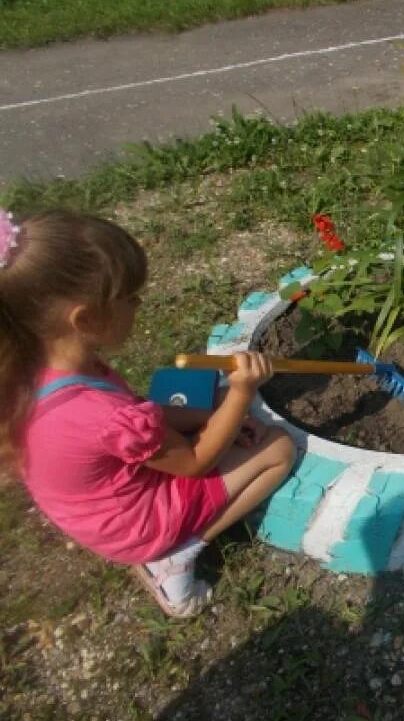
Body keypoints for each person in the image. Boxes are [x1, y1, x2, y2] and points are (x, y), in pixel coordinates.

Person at [0, 209, 297, 618]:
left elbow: (144, 415)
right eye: (129, 298)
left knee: (218, 413)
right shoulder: (99, 414)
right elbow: (193, 463)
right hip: (135, 527)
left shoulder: (35, 370)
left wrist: (210, 418)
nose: (138, 304)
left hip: (93, 513)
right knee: (278, 448)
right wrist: (242, 393)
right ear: (85, 318)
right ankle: (174, 556)